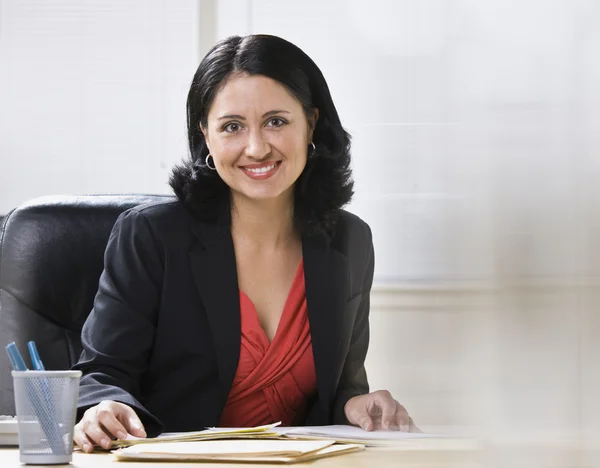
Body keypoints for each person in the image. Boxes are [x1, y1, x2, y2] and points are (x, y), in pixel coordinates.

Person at [72, 34, 417, 453]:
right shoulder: (150, 236)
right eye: (232, 127)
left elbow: (340, 388)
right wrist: (104, 406)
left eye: (276, 121)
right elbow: (102, 375)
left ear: (310, 122)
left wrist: (357, 405)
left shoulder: (349, 240)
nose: (256, 148)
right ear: (206, 136)